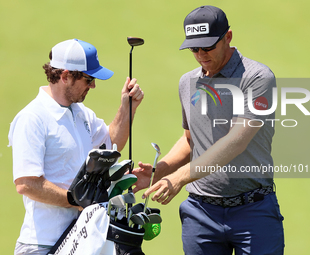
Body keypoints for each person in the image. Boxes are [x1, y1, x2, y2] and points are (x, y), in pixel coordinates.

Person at [133, 5, 284, 255]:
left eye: (208, 47)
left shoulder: (257, 78)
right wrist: (161, 171)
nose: (201, 54)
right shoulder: (187, 82)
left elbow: (237, 140)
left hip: (253, 212)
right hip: (200, 214)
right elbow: (190, 139)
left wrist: (179, 178)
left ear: (228, 37)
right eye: (194, 48)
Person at [8, 38, 144, 255]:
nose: (93, 85)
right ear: (65, 76)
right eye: (89, 79)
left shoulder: (81, 113)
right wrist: (77, 201)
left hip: (81, 240)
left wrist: (127, 108)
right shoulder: (32, 118)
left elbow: (111, 143)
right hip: (42, 244)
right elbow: (26, 184)